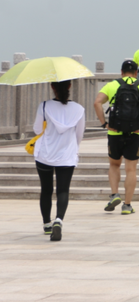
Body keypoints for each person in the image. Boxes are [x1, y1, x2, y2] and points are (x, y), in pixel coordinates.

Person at [93, 60, 139, 215]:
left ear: (121, 72)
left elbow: (97, 103)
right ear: (136, 73)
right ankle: (127, 205)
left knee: (114, 165)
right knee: (131, 169)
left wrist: (104, 124)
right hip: (135, 132)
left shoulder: (112, 85)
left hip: (115, 132)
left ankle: (115, 194)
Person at [33, 80, 85, 242]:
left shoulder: (44, 106)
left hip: (45, 154)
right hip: (66, 156)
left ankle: (47, 223)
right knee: (63, 190)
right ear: (69, 86)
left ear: (52, 87)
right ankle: (59, 220)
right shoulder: (78, 109)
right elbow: (79, 135)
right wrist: (71, 147)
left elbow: (37, 129)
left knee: (46, 190)